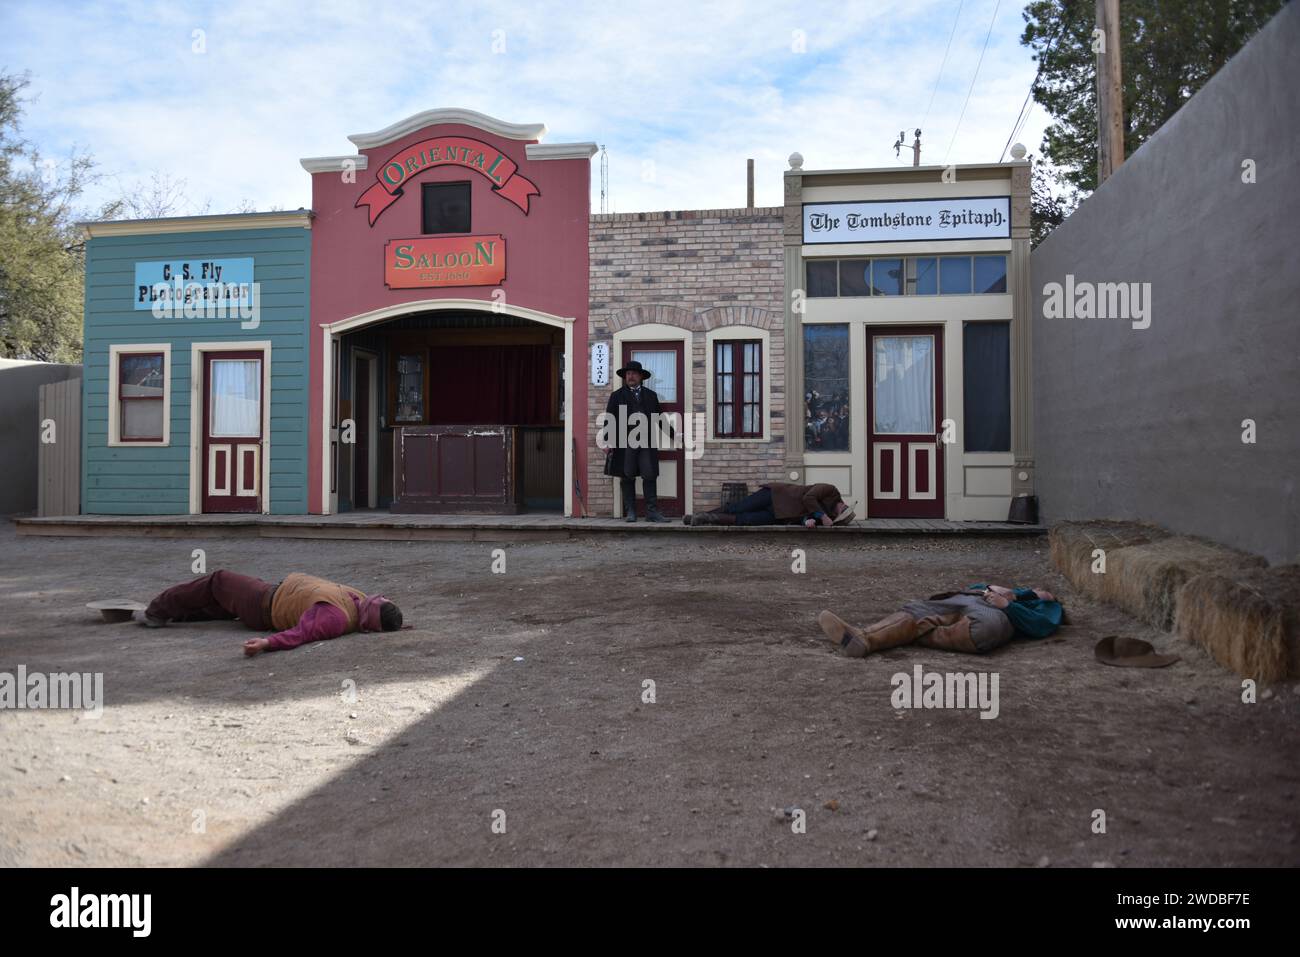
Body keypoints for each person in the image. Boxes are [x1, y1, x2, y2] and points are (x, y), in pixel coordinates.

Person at [134, 569, 404, 656]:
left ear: (371, 619)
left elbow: (302, 633)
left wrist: (265, 644)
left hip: (262, 605)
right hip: (269, 594)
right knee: (219, 604)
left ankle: (156, 612)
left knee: (219, 581)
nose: (376, 598)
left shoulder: (334, 618)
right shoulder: (358, 601)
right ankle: (177, 616)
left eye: (379, 602)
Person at [817, 584, 1062, 658]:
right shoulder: (1010, 589)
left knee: (986, 628)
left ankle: (910, 634)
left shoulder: (1047, 606)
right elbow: (973, 589)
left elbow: (1041, 626)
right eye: (1038, 588)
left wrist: (1008, 604)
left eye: (1043, 590)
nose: (1039, 589)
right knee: (916, 608)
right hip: (969, 599)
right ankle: (863, 638)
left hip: (999, 614)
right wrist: (997, 590)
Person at [604, 359, 669, 523]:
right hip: (625, 442)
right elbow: (609, 419)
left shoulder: (651, 396)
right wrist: (608, 441)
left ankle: (651, 512)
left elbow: (660, 419)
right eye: (628, 373)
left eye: (633, 373)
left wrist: (675, 436)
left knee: (650, 475)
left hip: (646, 441)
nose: (630, 376)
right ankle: (631, 512)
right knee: (627, 476)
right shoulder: (617, 396)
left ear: (641, 376)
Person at [686, 482, 856, 527]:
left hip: (780, 516)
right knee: (737, 507)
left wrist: (808, 522)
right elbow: (808, 498)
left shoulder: (829, 518)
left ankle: (705, 519)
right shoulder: (830, 490)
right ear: (843, 504)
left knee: (743, 520)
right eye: (844, 509)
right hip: (776, 495)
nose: (841, 510)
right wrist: (822, 516)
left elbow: (805, 516)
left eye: (841, 515)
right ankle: (698, 517)